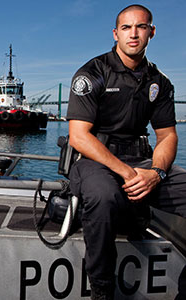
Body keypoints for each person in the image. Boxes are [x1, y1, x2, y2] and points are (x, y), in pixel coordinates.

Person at [66, 4, 186, 300]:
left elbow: (167, 135)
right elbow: (79, 136)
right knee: (104, 196)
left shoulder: (160, 82)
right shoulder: (92, 73)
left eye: (141, 27)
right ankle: (102, 290)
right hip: (95, 160)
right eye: (127, 28)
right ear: (116, 33)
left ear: (151, 32)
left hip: (142, 160)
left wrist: (156, 174)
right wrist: (129, 174)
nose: (134, 34)